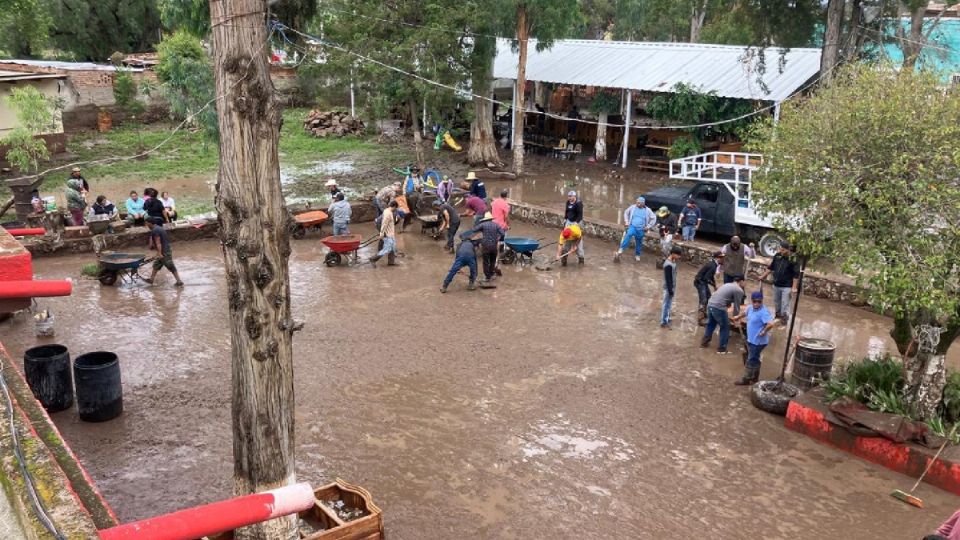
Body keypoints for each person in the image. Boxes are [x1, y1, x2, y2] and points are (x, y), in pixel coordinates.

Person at [735, 291, 777, 385]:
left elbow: (770, 324)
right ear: (752, 300)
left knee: (750, 359)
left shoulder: (763, 312)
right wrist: (738, 317)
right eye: (755, 301)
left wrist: (764, 331)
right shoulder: (750, 307)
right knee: (755, 358)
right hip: (751, 339)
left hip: (758, 341)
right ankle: (755, 378)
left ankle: (746, 379)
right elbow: (745, 313)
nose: (757, 304)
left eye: (759, 301)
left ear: (762, 301)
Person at [701, 275, 746, 354]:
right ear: (741, 281)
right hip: (718, 307)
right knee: (725, 327)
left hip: (710, 304)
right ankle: (722, 349)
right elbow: (737, 306)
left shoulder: (727, 285)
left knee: (711, 324)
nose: (745, 284)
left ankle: (704, 343)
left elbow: (724, 298)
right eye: (744, 282)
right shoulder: (739, 290)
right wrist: (736, 318)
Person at [759, 241, 800, 324]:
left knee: (785, 304)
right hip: (776, 284)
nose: (781, 251)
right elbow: (771, 267)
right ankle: (777, 317)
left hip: (787, 286)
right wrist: (763, 276)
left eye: (783, 250)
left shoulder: (793, 259)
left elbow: (796, 274)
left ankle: (784, 320)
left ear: (788, 250)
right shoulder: (777, 256)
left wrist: (794, 287)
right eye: (780, 249)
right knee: (777, 302)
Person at [143, 218, 184, 286]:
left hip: (164, 251)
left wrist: (159, 253)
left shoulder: (155, 230)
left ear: (150, 223)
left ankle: (179, 281)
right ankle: (151, 279)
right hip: (164, 249)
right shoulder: (158, 228)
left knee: (170, 265)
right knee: (156, 265)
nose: (146, 225)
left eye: (146, 223)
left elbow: (158, 242)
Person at [615, 196, 656, 263]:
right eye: (637, 202)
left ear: (643, 203)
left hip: (641, 229)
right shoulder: (633, 207)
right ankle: (621, 249)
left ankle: (637, 255)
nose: (637, 204)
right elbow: (626, 212)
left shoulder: (647, 210)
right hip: (632, 226)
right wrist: (626, 222)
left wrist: (648, 226)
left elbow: (654, 218)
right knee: (629, 234)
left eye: (639, 203)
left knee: (639, 242)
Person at [694, 251, 724, 325]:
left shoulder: (714, 264)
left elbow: (710, 276)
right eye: (721, 257)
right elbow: (706, 278)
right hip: (700, 282)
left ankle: (704, 314)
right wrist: (714, 285)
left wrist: (714, 285)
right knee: (703, 299)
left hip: (702, 281)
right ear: (717, 258)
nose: (723, 259)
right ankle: (700, 319)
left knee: (708, 297)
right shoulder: (713, 266)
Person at [474, 212, 504, 283]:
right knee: (492, 261)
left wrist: (481, 230)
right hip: (494, 246)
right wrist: (498, 238)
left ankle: (487, 277)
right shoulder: (496, 225)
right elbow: (502, 233)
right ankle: (491, 274)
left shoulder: (483, 224)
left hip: (486, 246)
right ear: (491, 219)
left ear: (485, 219)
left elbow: (474, 229)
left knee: (485, 262)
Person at [369, 200, 398, 267]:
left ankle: (391, 262)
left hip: (391, 233)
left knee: (393, 247)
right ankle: (373, 259)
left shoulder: (388, 211)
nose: (396, 209)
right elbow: (384, 224)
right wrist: (382, 234)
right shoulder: (388, 213)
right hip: (387, 234)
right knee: (387, 249)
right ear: (394, 206)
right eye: (396, 208)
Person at [661, 246, 683, 329]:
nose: (679, 257)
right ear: (673, 254)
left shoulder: (673, 261)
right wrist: (670, 290)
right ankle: (664, 322)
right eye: (678, 255)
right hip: (668, 288)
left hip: (671, 287)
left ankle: (666, 318)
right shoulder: (668, 265)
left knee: (669, 304)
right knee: (666, 305)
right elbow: (668, 279)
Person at [563, 190, 585, 263]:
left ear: (574, 196)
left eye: (570, 196)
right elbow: (567, 211)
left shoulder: (578, 203)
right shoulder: (568, 202)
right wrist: (565, 218)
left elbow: (580, 215)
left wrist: (576, 222)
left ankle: (581, 259)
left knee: (578, 246)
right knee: (566, 241)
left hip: (577, 222)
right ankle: (564, 258)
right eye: (568, 196)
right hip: (569, 221)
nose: (569, 198)